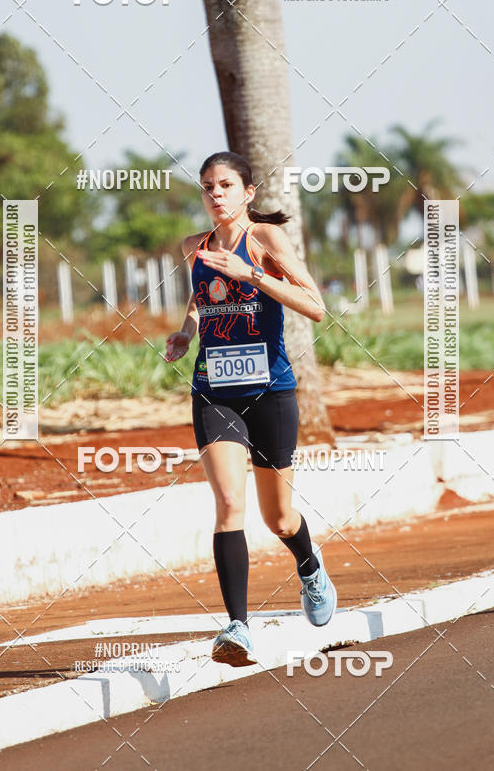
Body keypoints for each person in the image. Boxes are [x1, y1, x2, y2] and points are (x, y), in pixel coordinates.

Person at [165, 151, 336, 667]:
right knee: (228, 504)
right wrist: (186, 332)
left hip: (270, 391)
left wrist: (253, 274)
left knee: (278, 517)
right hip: (214, 390)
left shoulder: (265, 240)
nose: (215, 194)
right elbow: (201, 300)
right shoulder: (193, 247)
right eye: (207, 186)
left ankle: (309, 566)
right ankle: (238, 627)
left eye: (225, 185)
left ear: (248, 192)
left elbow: (316, 307)